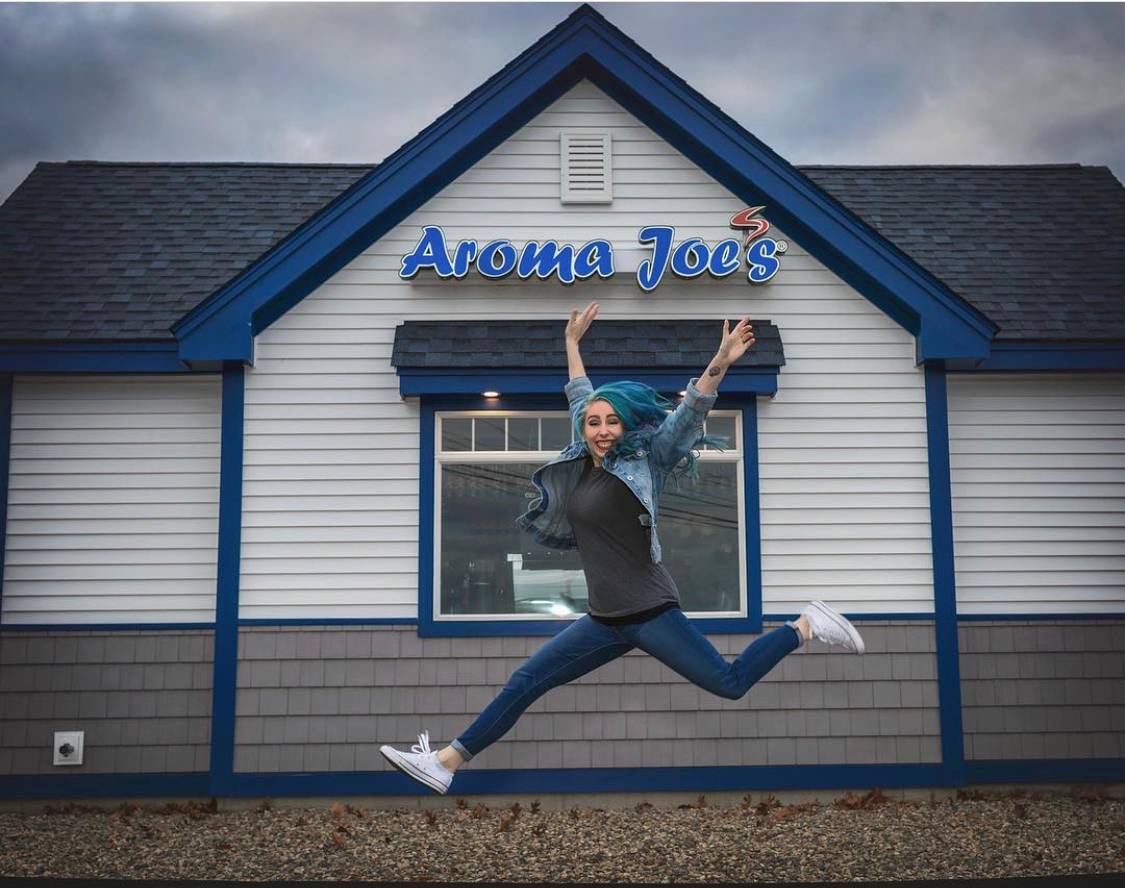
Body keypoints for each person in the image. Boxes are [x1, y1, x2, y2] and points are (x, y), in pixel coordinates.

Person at [380, 302, 865, 794]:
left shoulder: (646, 459)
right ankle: (446, 763)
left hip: (649, 609)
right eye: (595, 423)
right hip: (605, 617)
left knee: (730, 682)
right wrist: (571, 344)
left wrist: (721, 361)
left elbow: (691, 409)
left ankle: (806, 624)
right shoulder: (582, 456)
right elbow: (579, 394)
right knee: (527, 681)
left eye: (613, 422)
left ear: (626, 425)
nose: (603, 430)